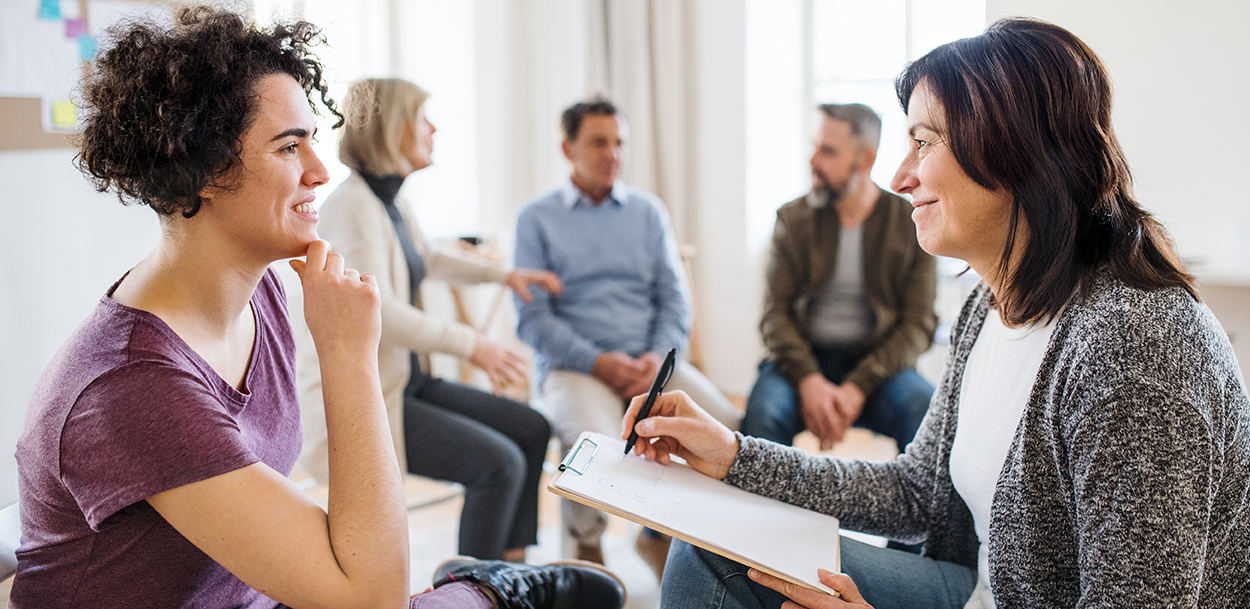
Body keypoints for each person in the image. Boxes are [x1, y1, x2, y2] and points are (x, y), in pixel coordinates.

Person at [628, 18, 1250, 609]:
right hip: (979, 586)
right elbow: (917, 491)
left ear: (1012, 152)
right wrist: (734, 455)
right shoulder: (992, 304)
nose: (900, 176)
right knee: (711, 542)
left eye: (922, 142)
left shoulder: (1134, 347)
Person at [10, 8, 622, 608]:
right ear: (200, 170)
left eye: (313, 141)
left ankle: (478, 588)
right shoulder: (133, 388)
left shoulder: (265, 294)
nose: (321, 170)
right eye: (287, 147)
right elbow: (372, 599)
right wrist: (349, 354)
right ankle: (482, 590)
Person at [301, 77, 560, 563]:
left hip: (410, 382)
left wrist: (506, 276)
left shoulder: (389, 200)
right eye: (422, 119)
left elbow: (430, 258)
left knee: (530, 428)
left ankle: (511, 570)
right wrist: (474, 345)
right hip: (374, 399)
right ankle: (472, 590)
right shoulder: (352, 207)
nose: (433, 129)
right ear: (391, 128)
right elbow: (379, 310)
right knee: (498, 465)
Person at [513, 97, 741, 571]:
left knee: (723, 422)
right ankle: (588, 543)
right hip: (578, 367)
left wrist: (656, 358)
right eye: (599, 142)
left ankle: (659, 531)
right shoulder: (536, 218)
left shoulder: (647, 212)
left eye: (620, 143)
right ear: (567, 147)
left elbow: (675, 298)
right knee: (590, 441)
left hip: (649, 362)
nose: (612, 153)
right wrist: (600, 362)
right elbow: (533, 321)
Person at [743, 102, 936, 455]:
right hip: (801, 360)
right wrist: (809, 380)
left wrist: (857, 386)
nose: (813, 160)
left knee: (925, 410)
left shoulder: (910, 223)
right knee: (762, 417)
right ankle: (769, 512)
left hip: (877, 364)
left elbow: (918, 323)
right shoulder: (792, 219)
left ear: (865, 160)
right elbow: (775, 315)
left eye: (828, 151)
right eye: (814, 146)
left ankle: (915, 511)